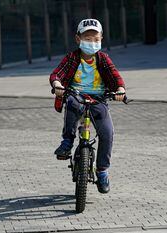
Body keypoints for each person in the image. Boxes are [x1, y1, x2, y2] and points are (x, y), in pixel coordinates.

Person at [49, 19, 126, 194]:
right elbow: (57, 74)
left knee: (107, 132)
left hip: (99, 98)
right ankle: (67, 141)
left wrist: (120, 89)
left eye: (95, 39)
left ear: (101, 39)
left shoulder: (103, 59)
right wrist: (57, 84)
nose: (92, 43)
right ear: (78, 39)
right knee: (72, 105)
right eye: (87, 38)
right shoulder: (72, 58)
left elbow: (115, 76)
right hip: (76, 95)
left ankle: (102, 171)